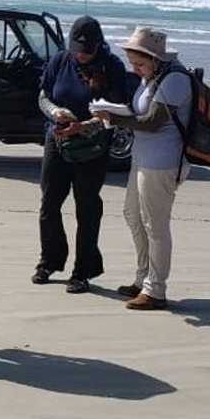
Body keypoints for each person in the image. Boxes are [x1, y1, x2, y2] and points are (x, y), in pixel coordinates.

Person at [94, 27, 192, 310]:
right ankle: (143, 278)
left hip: (162, 162)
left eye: (139, 64)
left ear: (154, 58)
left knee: (155, 225)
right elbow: (141, 114)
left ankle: (156, 290)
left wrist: (114, 117)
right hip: (143, 157)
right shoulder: (154, 77)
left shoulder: (174, 79)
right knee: (133, 215)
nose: (135, 69)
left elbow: (153, 121)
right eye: (132, 64)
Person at [34, 16, 130, 294]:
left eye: (88, 50)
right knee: (49, 204)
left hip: (93, 147)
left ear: (99, 44)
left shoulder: (112, 67)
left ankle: (82, 271)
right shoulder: (60, 61)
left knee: (86, 207)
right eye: (78, 49)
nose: (82, 54)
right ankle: (49, 261)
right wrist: (55, 113)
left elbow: (116, 112)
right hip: (57, 139)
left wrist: (84, 126)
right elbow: (43, 96)